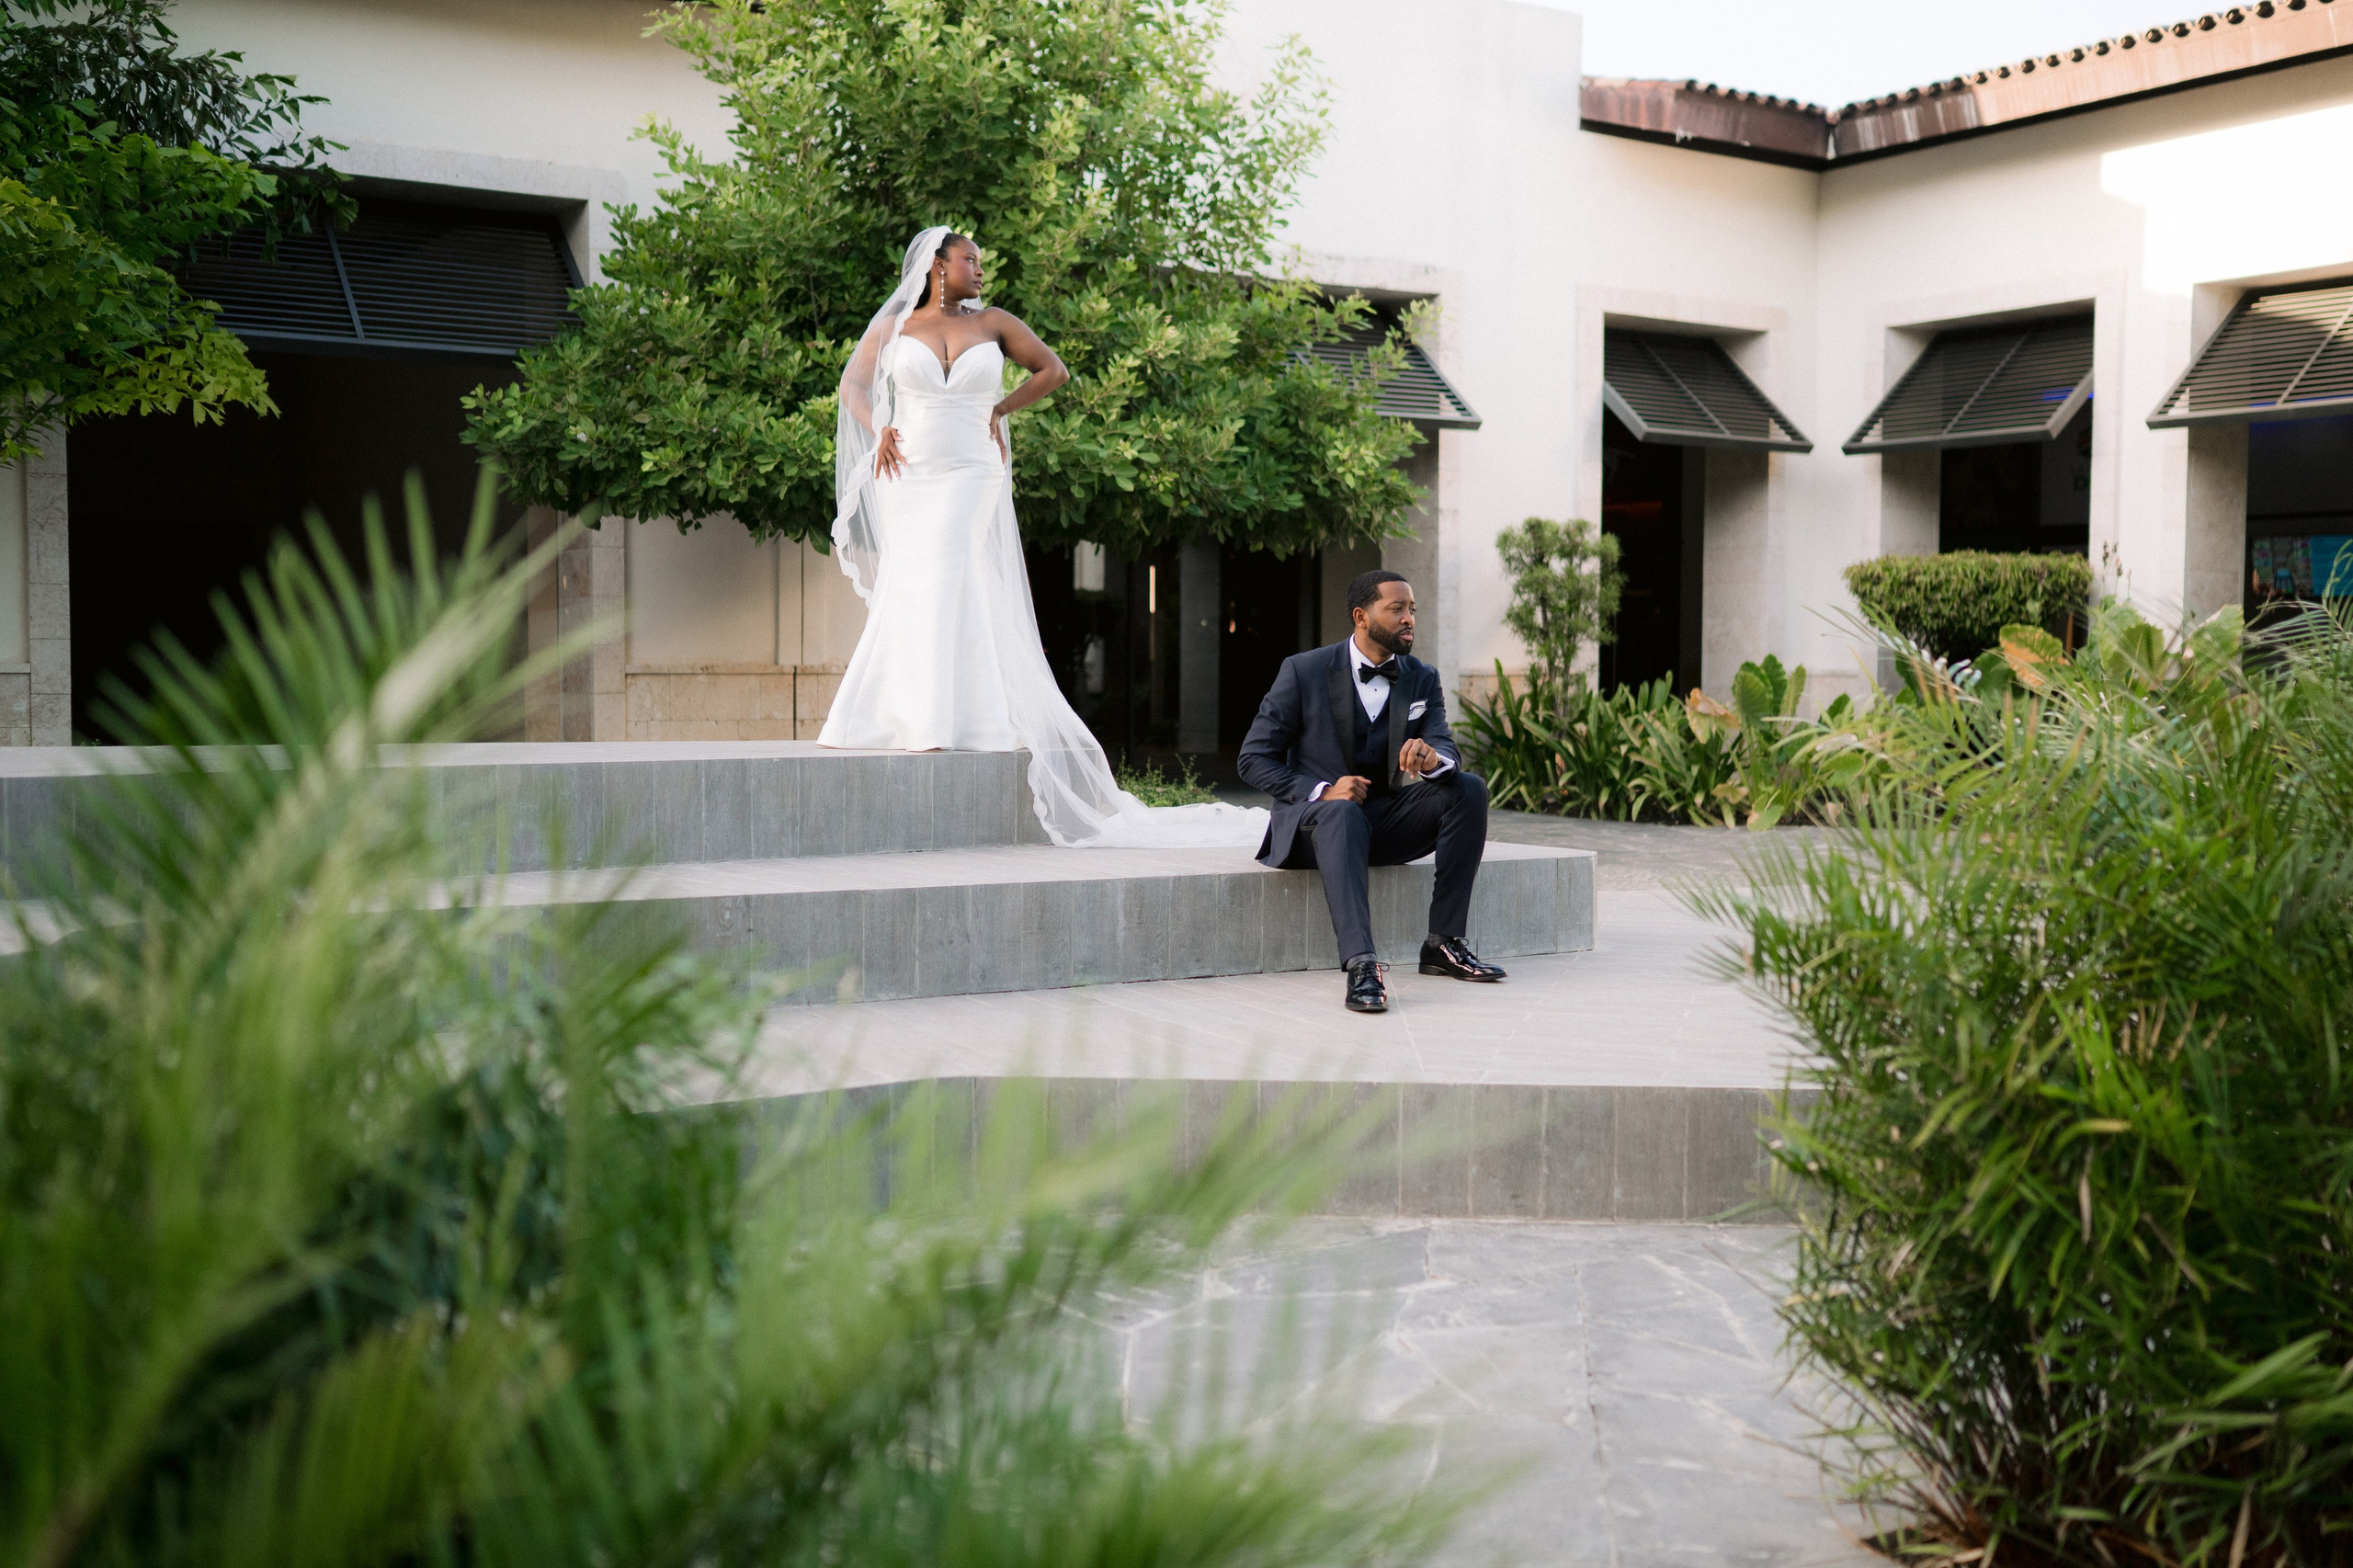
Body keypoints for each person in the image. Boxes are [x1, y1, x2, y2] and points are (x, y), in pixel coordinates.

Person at [821, 226, 1264, 850]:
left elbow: (1052, 370)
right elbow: (854, 388)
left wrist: (1000, 410)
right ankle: (902, 714)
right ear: (936, 267)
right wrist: (881, 427)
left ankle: (956, 717)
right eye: (969, 260)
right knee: (916, 581)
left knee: (952, 571)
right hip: (911, 467)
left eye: (980, 261)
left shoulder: (995, 322)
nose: (980, 269)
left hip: (972, 467)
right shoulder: (894, 328)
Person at [1237, 570, 1506, 1013]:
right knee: (1341, 813)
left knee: (1468, 789)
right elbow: (1252, 759)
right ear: (1362, 617)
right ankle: (1362, 964)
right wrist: (1322, 791)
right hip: (1313, 827)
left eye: (1412, 610)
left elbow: (1443, 743)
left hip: (1380, 821)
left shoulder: (1421, 677)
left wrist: (1434, 760)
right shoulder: (1303, 671)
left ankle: (1442, 943)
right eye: (1396, 609)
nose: (1408, 619)